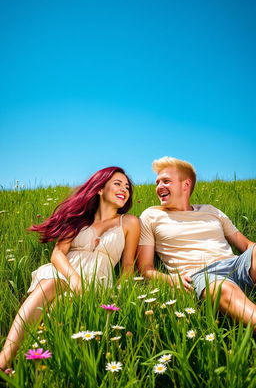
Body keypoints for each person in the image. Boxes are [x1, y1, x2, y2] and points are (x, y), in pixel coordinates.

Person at [0, 166, 140, 372]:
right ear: (100, 188)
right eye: (117, 184)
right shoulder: (79, 218)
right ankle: (4, 359)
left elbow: (128, 265)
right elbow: (58, 253)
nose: (124, 189)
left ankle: (26, 367)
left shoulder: (129, 222)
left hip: (98, 281)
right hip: (66, 271)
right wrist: (74, 278)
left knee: (56, 317)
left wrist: (119, 293)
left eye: (127, 186)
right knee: (50, 283)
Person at [137, 156, 256, 328]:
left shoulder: (211, 210)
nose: (158, 187)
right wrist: (172, 280)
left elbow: (246, 245)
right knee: (222, 290)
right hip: (201, 275)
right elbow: (145, 268)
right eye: (157, 182)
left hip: (236, 264)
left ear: (186, 184)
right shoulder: (151, 215)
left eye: (166, 181)